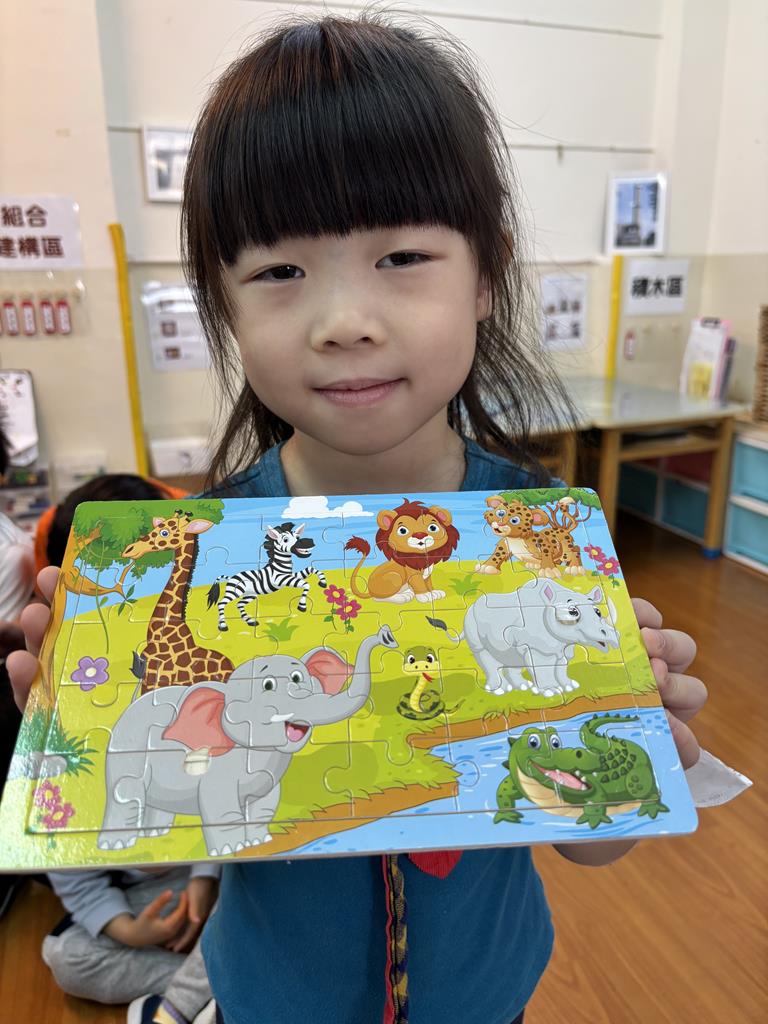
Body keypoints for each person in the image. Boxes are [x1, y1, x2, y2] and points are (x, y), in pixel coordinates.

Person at [8, 12, 708, 1024]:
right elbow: (168, 793)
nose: (345, 321)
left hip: (483, 995)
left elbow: (590, 839)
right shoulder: (205, 547)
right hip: (272, 997)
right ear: (223, 304)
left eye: (404, 255)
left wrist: (641, 748)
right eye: (279, 272)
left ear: (487, 274)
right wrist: (81, 734)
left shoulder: (540, 539)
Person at [30, 473, 216, 1024]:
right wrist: (128, 929)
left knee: (271, 897)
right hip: (141, 901)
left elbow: (229, 791)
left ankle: (186, 997)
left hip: (224, 877)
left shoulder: (190, 677)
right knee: (66, 958)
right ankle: (210, 983)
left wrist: (206, 878)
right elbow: (64, 855)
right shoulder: (62, 707)